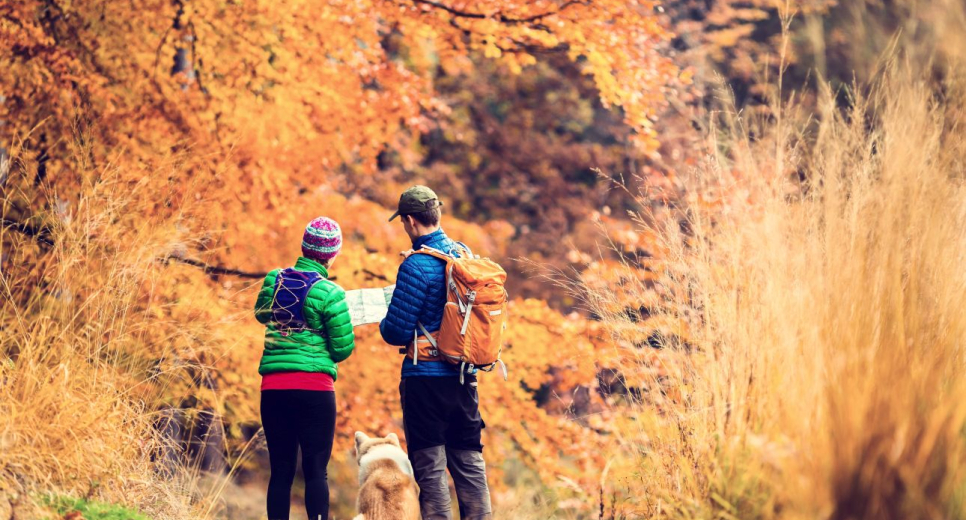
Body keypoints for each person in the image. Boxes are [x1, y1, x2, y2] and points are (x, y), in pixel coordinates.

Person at [379, 186, 493, 520]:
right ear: (438, 214)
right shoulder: (464, 255)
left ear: (411, 221)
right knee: (470, 466)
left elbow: (396, 332)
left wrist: (389, 313)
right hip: (464, 378)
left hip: (425, 382)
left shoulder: (415, 267)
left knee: (431, 471)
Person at [254, 216, 355, 520]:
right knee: (315, 471)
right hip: (315, 390)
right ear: (332, 255)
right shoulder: (332, 293)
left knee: (281, 470)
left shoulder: (275, 279)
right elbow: (342, 349)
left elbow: (260, 314)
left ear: (302, 247)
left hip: (273, 388)